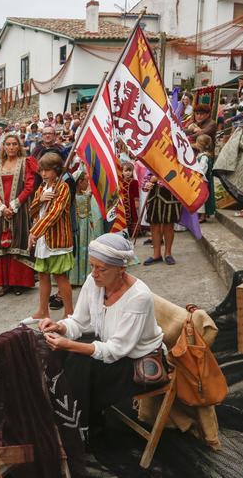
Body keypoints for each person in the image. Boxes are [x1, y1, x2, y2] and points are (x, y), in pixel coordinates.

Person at [39, 233, 165, 445]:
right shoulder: (94, 282)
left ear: (121, 270)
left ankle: (78, 430)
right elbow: (79, 322)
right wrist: (60, 327)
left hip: (137, 361)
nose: (94, 274)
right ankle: (75, 423)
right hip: (111, 347)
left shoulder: (138, 297)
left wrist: (70, 345)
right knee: (58, 354)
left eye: (101, 269)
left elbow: (116, 350)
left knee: (78, 365)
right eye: (92, 266)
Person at [22, 153, 74, 325]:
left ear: (57, 170)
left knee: (60, 277)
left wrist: (34, 232)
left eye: (48, 170)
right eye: (41, 170)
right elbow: (32, 211)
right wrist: (39, 200)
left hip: (57, 239)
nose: (43, 174)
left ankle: (69, 314)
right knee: (43, 275)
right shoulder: (42, 188)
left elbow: (54, 214)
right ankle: (42, 311)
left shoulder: (63, 187)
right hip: (43, 241)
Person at [0, 133, 38, 297]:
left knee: (18, 243)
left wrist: (14, 205)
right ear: (3, 146)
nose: (11, 147)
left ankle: (19, 282)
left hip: (19, 209)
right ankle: (5, 283)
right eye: (8, 144)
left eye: (14, 144)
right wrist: (1, 206)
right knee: (2, 245)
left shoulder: (25, 163)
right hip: (1, 211)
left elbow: (29, 186)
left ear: (19, 146)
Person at [70, 171, 105, 286]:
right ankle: (79, 277)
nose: (87, 183)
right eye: (86, 181)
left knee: (82, 249)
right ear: (80, 182)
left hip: (85, 228)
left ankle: (78, 278)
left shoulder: (83, 196)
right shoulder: (78, 197)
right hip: (79, 227)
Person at [142, 171, 181, 266]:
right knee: (154, 225)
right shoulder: (152, 157)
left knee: (168, 225)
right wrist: (148, 182)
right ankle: (156, 254)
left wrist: (160, 179)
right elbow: (148, 173)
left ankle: (168, 254)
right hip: (154, 196)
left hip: (170, 195)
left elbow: (178, 172)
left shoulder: (176, 157)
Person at [195, 135, 217, 222]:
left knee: (202, 198)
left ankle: (202, 216)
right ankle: (201, 214)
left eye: (197, 142)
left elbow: (202, 169)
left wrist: (197, 175)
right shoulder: (201, 155)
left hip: (203, 181)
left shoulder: (204, 157)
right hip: (202, 180)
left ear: (200, 144)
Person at [119, 162, 140, 236]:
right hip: (123, 203)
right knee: (123, 215)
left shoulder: (134, 182)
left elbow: (136, 193)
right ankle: (124, 231)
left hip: (131, 203)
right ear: (122, 171)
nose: (128, 173)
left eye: (130, 171)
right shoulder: (120, 182)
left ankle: (133, 232)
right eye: (126, 171)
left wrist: (136, 201)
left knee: (133, 215)